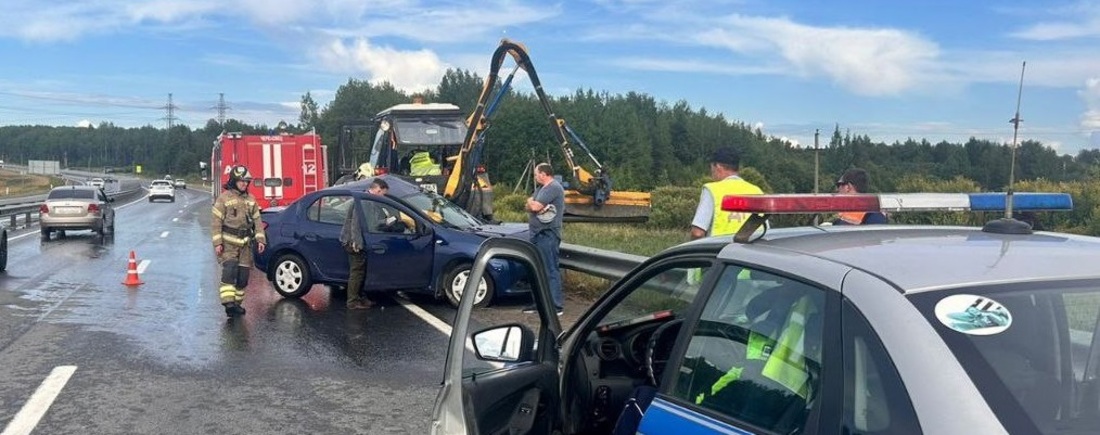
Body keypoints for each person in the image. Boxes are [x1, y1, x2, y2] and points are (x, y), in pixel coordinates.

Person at [211, 165, 266, 317]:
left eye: (246, 181)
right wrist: (218, 243)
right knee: (229, 272)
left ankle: (236, 304)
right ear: (234, 181)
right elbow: (216, 223)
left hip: (245, 245)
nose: (244, 184)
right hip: (228, 244)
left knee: (243, 278)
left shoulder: (251, 200)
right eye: (241, 181)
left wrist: (261, 240)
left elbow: (257, 222)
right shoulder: (224, 198)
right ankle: (228, 304)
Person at [690, 146, 764, 240]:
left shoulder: (713, 190)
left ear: (718, 166)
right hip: (751, 252)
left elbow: (697, 233)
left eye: (711, 167)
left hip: (719, 251)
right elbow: (765, 230)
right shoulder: (756, 191)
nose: (711, 172)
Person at [340, 178, 390, 310]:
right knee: (357, 272)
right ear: (377, 190)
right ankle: (352, 301)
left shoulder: (366, 200)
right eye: (382, 194)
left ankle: (361, 297)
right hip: (353, 241)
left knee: (361, 271)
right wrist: (356, 242)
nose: (383, 197)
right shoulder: (362, 201)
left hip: (357, 240)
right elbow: (356, 223)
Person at [522, 163, 565, 316]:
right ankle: (539, 303)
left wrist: (534, 204)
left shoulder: (554, 187)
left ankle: (556, 306)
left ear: (543, 174)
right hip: (536, 234)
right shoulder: (541, 189)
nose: (535, 177)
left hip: (547, 234)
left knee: (550, 269)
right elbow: (530, 204)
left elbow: (534, 207)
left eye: (536, 174)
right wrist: (532, 203)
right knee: (538, 269)